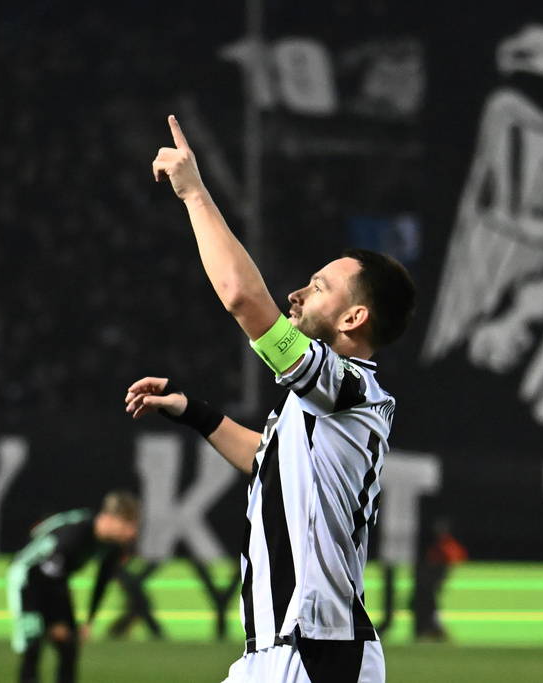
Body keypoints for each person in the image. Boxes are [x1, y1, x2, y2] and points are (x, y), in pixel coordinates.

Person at [125, 115, 416, 683]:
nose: (299, 293)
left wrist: (194, 192)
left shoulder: (348, 386)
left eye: (321, 288)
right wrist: (195, 412)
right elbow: (270, 461)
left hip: (317, 653)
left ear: (355, 318)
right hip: (280, 651)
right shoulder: (328, 401)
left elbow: (241, 298)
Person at [6, 490, 141, 683]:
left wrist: (89, 620)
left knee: (69, 646)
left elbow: (102, 581)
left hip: (56, 581)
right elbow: (45, 574)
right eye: (128, 524)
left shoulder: (113, 545)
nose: (133, 532)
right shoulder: (74, 534)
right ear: (110, 519)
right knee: (33, 644)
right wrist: (55, 621)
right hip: (28, 579)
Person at [410, 517, 468, 642]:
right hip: (431, 581)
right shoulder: (437, 546)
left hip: (436, 580)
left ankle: (434, 630)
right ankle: (429, 630)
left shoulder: (449, 545)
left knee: (428, 600)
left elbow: (456, 560)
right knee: (425, 600)